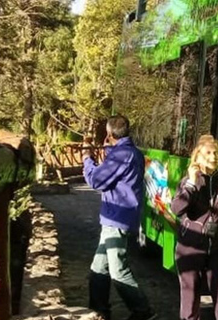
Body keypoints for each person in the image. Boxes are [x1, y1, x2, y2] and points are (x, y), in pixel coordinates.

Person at [84, 115, 155, 320]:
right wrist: (107, 150)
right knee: (99, 267)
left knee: (118, 271)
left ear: (109, 133)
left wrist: (87, 158)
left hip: (116, 218)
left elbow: (96, 180)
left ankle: (142, 311)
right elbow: (115, 169)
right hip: (118, 217)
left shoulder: (121, 155)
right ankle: (99, 310)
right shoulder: (131, 152)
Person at [171, 135, 218, 320]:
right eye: (209, 153)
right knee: (190, 299)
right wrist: (191, 183)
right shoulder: (189, 181)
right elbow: (177, 209)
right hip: (190, 247)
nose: (214, 157)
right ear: (197, 157)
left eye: (217, 153)